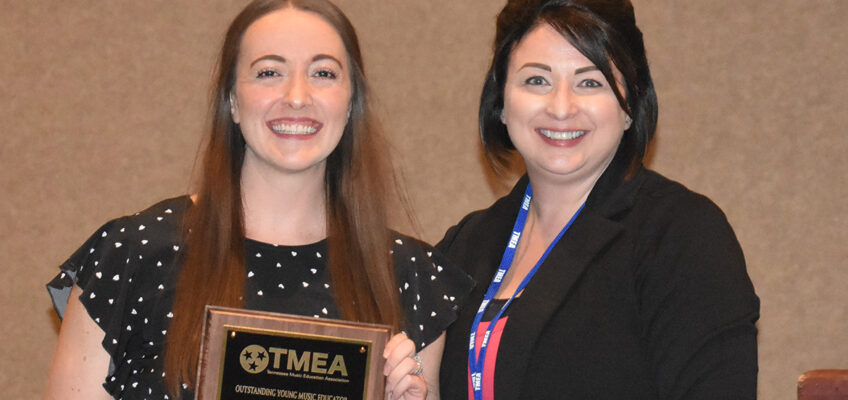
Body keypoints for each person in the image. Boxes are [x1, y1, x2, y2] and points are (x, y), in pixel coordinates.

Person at [44, 1, 472, 399]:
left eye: (324, 73)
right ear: (231, 99)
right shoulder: (133, 251)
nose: (298, 96)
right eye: (269, 72)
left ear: (351, 102)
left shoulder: (411, 275)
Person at [437, 0, 760, 399]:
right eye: (536, 80)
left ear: (629, 107)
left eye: (590, 82)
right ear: (501, 102)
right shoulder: (464, 245)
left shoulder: (680, 236)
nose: (560, 107)